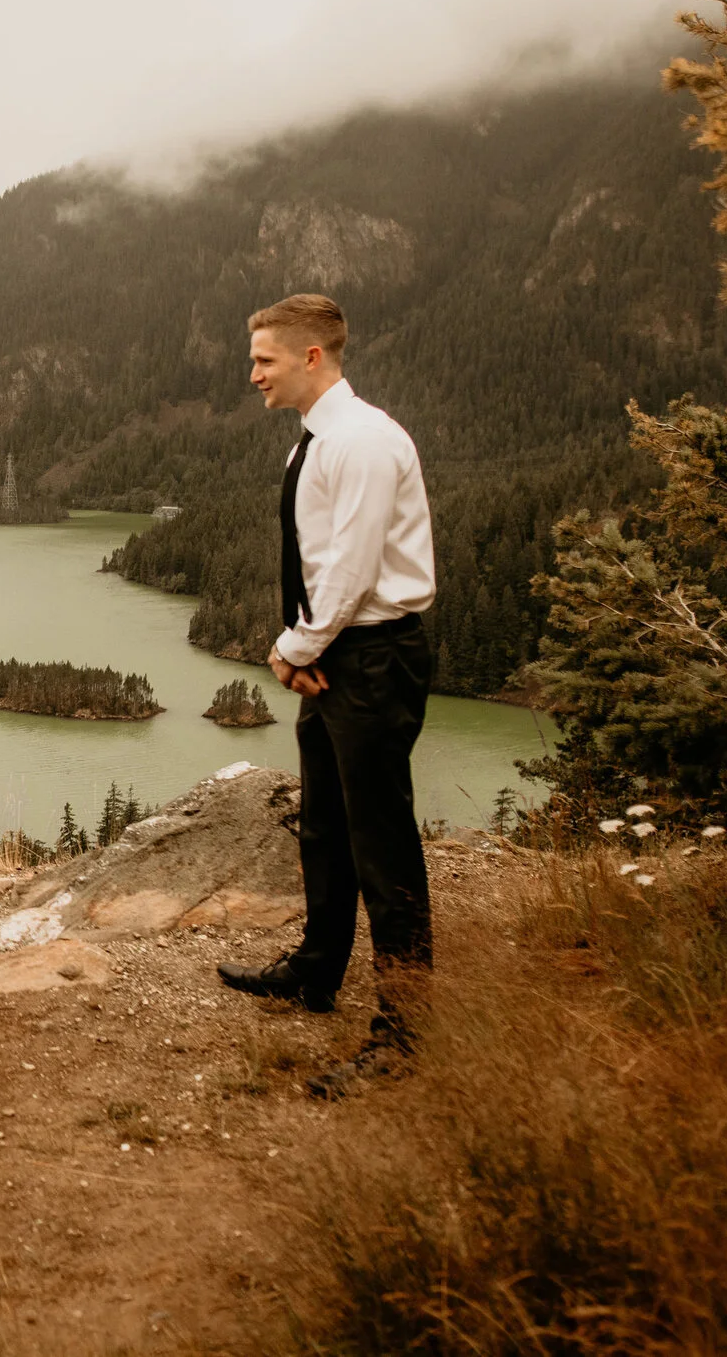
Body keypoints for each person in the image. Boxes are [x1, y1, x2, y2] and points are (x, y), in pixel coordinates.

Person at [215, 294, 437, 1096]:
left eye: (264, 360)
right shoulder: (314, 444)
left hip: (371, 656)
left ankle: (406, 1033)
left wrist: (291, 649)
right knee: (326, 824)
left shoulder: (366, 442)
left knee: (382, 842)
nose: (253, 375)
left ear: (313, 357)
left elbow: (351, 569)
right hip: (339, 654)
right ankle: (315, 970)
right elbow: (319, 566)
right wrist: (309, 647)